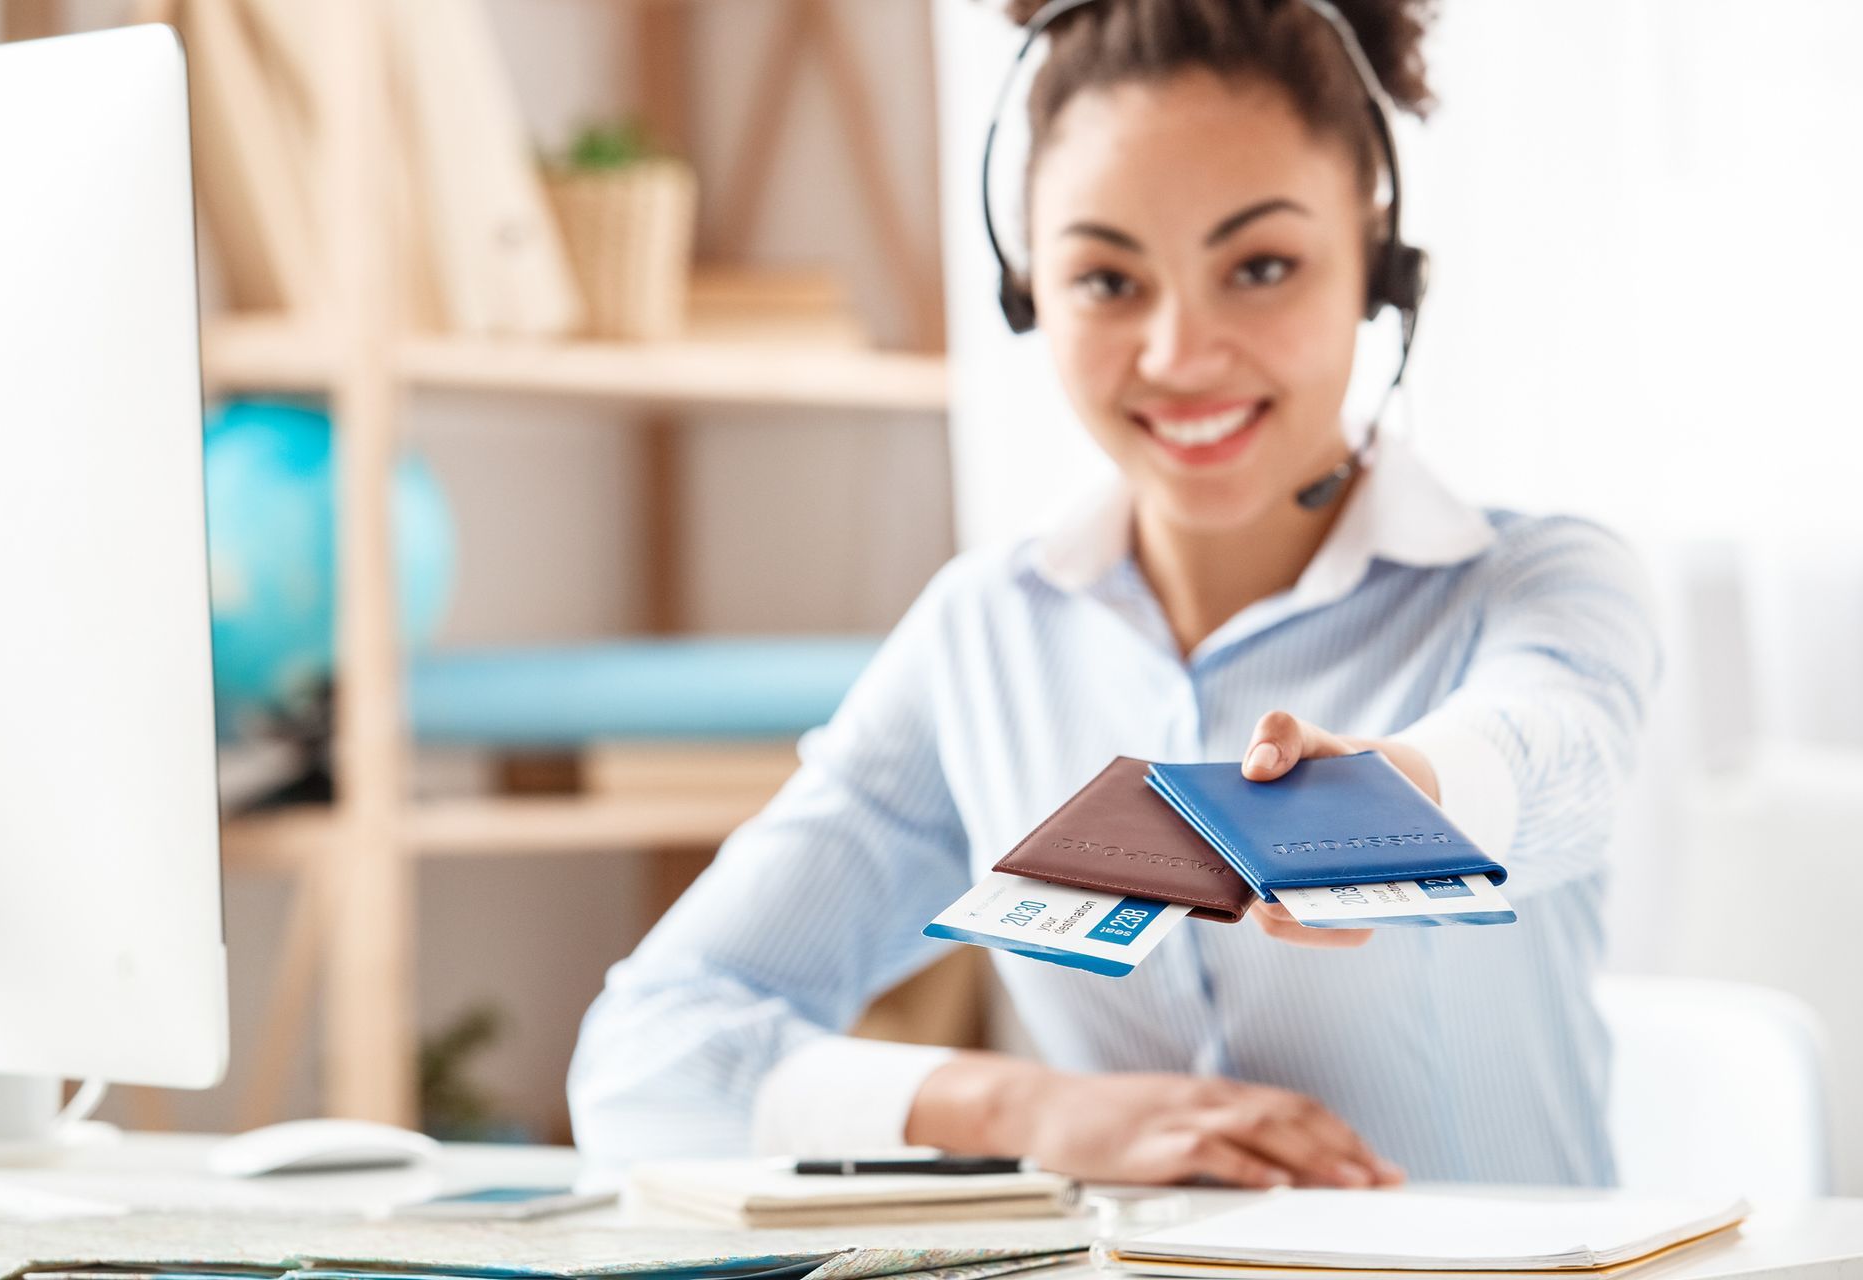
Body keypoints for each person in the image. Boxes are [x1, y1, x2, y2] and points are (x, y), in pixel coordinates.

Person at [570, 0, 1657, 1189]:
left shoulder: (1537, 579)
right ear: (1028, 289)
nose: (1180, 353)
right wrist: (1023, 1107)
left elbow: (1561, 757)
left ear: (1378, 266)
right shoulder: (984, 634)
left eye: (1261, 266)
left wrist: (1403, 803)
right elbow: (647, 1058)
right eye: (1105, 278)